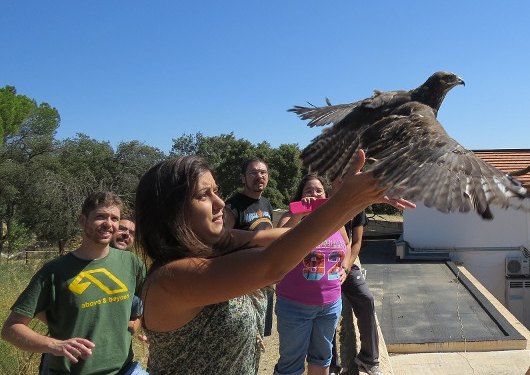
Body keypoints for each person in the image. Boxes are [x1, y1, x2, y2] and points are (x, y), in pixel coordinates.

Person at [134, 151, 413, 375]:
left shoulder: (222, 244)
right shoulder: (172, 278)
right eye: (203, 195)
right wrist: (345, 199)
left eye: (216, 191)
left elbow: (289, 237)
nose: (219, 203)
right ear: (171, 211)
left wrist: (357, 201)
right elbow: (273, 264)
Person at [1, 192, 147, 375]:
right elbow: (11, 329)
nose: (108, 224)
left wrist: (150, 330)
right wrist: (54, 345)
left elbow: (152, 302)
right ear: (82, 220)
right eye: (101, 216)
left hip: (125, 370)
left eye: (114, 218)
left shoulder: (131, 263)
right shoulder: (54, 271)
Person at [274, 174, 348, 375]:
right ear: (301, 195)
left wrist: (345, 268)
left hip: (330, 305)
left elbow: (346, 244)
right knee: (290, 365)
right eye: (309, 191)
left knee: (322, 358)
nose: (314, 195)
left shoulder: (335, 218)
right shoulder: (290, 217)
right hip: (295, 306)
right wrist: (300, 214)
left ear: (325, 195)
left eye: (318, 191)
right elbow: (278, 243)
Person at [330, 177, 382, 375]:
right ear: (332, 181)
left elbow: (357, 241)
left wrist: (346, 267)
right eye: (339, 178)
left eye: (348, 178)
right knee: (328, 311)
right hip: (324, 267)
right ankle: (330, 364)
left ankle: (368, 358)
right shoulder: (324, 203)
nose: (343, 182)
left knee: (366, 299)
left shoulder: (357, 206)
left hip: (346, 265)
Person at [224, 157, 276, 336]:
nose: (259, 176)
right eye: (253, 173)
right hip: (243, 280)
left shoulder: (266, 203)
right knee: (243, 333)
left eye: (263, 172)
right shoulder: (232, 205)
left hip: (265, 278)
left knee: (261, 332)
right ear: (243, 178)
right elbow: (224, 240)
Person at [110, 217, 145, 338]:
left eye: (132, 233)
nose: (126, 234)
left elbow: (143, 297)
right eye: (122, 229)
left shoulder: (136, 264)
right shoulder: (90, 259)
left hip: (119, 342)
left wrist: (136, 320)